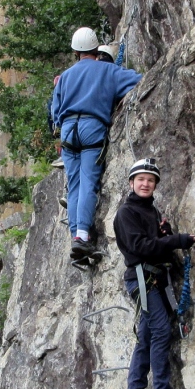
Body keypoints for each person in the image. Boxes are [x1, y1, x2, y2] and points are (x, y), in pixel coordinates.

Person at [115, 158, 195, 389]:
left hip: (154, 278)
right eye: (141, 179)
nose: (146, 183)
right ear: (131, 182)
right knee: (161, 330)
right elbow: (142, 247)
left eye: (150, 180)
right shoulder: (127, 213)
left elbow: (154, 242)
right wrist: (176, 241)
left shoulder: (152, 211)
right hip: (142, 278)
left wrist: (165, 233)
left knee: (147, 336)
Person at [51, 27, 142, 261]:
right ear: (95, 48)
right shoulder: (108, 70)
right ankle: (82, 236)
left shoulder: (65, 76)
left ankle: (76, 236)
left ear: (75, 51)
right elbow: (138, 80)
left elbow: (55, 112)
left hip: (69, 131)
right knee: (89, 182)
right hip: (92, 128)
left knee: (74, 185)